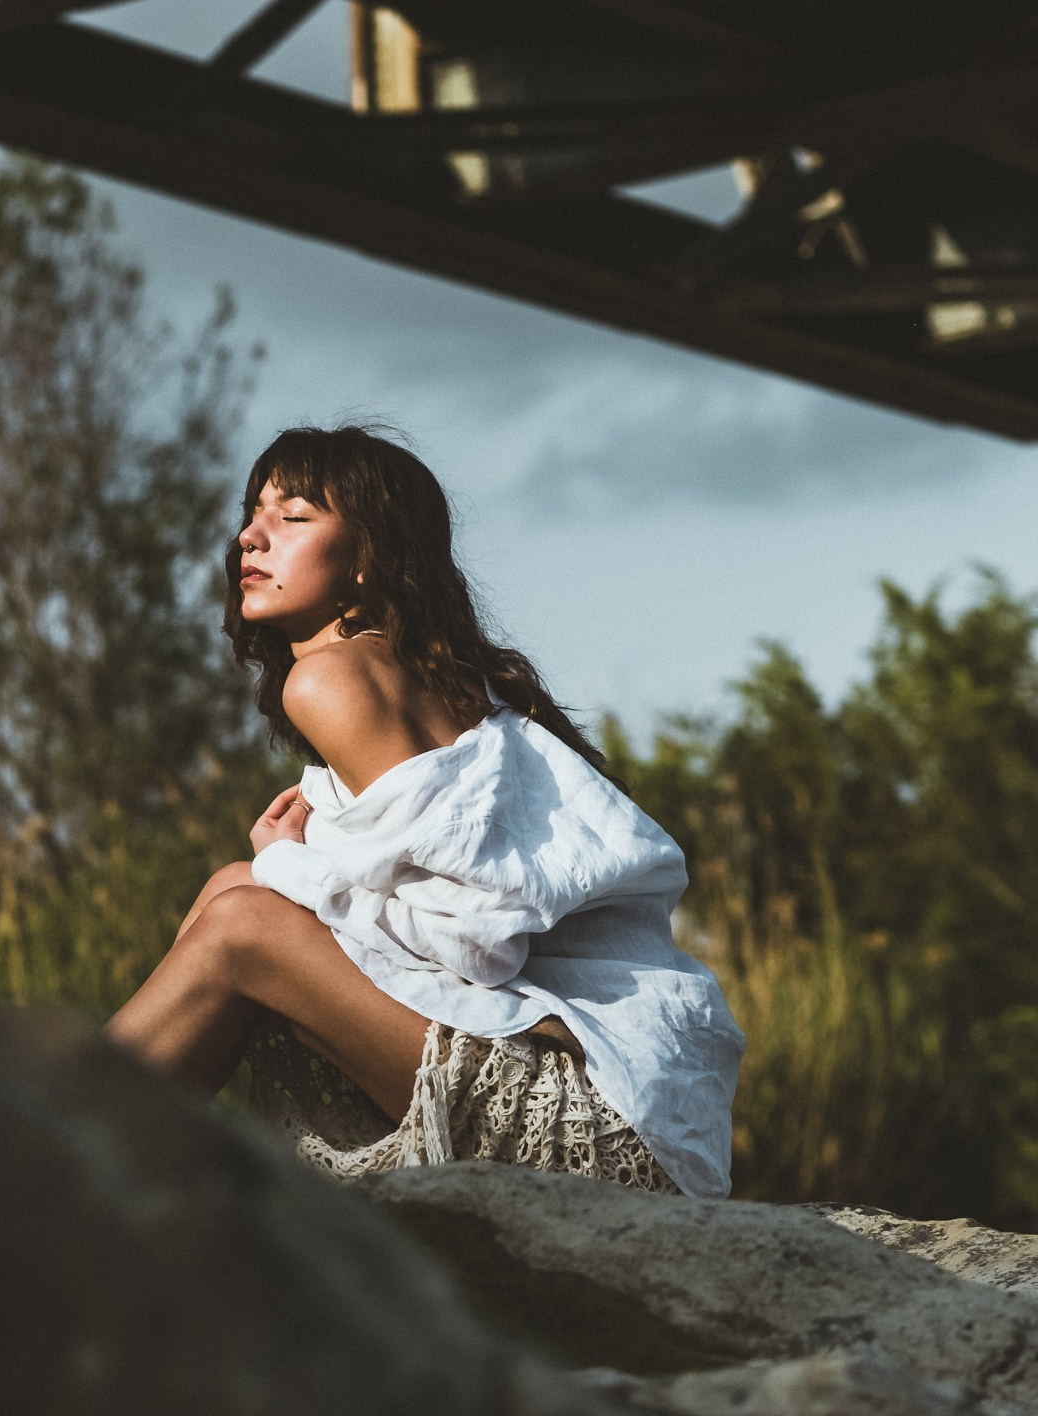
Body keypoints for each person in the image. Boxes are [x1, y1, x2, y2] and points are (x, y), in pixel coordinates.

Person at [106, 425, 742, 1197]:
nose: (250, 535)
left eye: (295, 516)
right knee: (234, 889)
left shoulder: (335, 681)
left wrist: (290, 868)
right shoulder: (429, 680)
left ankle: (35, 1157)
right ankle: (106, 1184)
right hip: (650, 1109)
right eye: (254, 511)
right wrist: (274, 875)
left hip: (600, 1120)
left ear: (367, 557)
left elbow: (476, 943)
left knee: (244, 923)